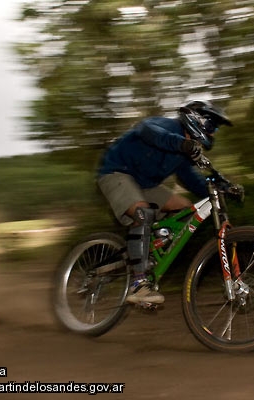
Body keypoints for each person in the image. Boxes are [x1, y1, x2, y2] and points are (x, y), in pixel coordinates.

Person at [97, 100, 232, 305]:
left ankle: (149, 251)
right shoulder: (167, 127)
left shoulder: (183, 155)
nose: (213, 134)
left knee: (186, 209)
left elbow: (189, 178)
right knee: (143, 213)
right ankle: (139, 284)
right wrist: (180, 143)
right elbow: (145, 130)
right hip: (117, 173)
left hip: (144, 185)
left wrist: (221, 188)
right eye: (212, 127)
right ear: (198, 121)